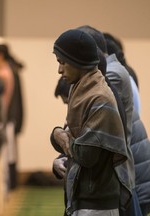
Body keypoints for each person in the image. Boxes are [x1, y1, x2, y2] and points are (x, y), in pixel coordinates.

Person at [50, 29, 129, 216]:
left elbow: (87, 155)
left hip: (97, 204)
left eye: (63, 62)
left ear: (78, 61)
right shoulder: (82, 91)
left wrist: (59, 136)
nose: (59, 70)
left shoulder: (100, 97)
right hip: (84, 199)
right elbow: (71, 137)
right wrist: (57, 134)